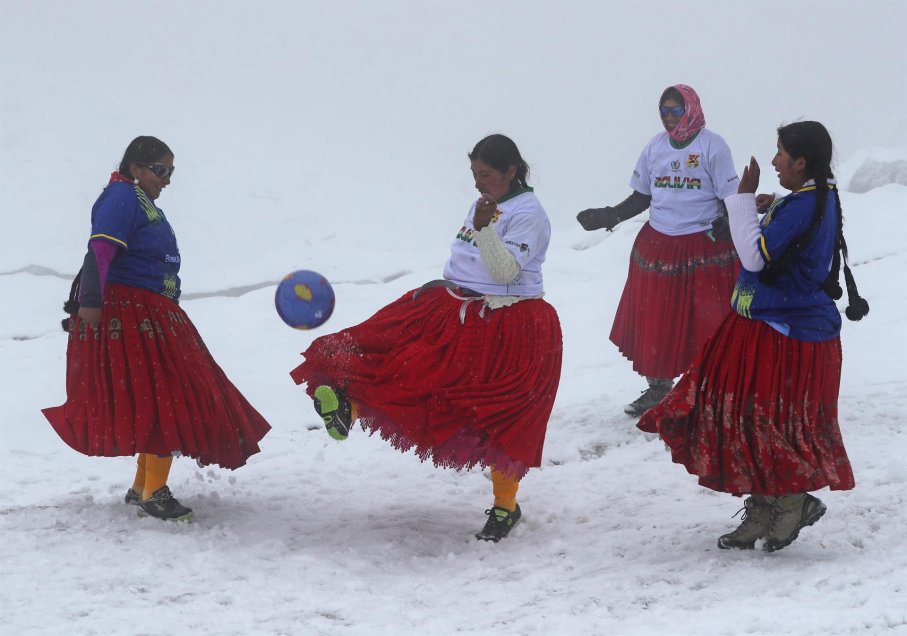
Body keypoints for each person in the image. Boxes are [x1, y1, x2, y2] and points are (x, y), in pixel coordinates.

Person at [290, 134, 562, 542]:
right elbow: (467, 253)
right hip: (459, 305)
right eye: (473, 174)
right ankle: (350, 407)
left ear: (511, 172)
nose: (476, 183)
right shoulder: (483, 204)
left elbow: (505, 271)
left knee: (502, 416)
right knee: (402, 363)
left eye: (484, 174)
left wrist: (486, 231)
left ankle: (506, 507)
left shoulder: (529, 213)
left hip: (511, 323)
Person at [638, 121, 869, 552]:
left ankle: (790, 501)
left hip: (787, 328)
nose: (776, 160)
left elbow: (754, 258)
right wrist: (770, 209)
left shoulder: (804, 205)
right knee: (744, 416)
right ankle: (764, 507)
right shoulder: (810, 197)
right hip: (765, 321)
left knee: (762, 420)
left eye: (781, 153)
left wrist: (741, 200)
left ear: (801, 162)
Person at [43, 136, 272, 521]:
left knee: (156, 396)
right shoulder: (122, 197)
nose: (166, 180)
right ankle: (154, 491)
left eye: (171, 173)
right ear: (136, 168)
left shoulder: (138, 201)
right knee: (170, 392)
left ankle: (142, 486)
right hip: (132, 311)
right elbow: (100, 249)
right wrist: (92, 304)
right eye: (160, 170)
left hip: (149, 310)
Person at [577, 84, 740, 417]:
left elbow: (730, 197)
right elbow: (642, 196)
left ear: (691, 109)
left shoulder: (714, 147)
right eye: (663, 110)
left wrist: (728, 221)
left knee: (706, 319)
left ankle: (709, 389)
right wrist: (611, 215)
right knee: (657, 319)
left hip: (702, 247)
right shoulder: (655, 147)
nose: (669, 117)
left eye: (676, 110)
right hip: (659, 246)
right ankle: (660, 389)